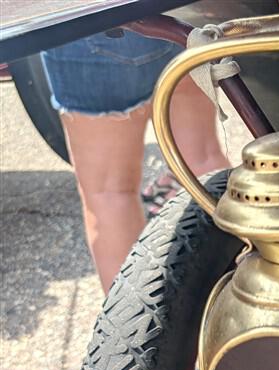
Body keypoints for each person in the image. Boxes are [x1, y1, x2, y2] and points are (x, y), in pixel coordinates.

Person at [41, 30, 229, 292]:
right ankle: (233, 297)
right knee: (202, 159)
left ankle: (138, 328)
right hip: (176, 13)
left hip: (91, 26)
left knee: (110, 194)